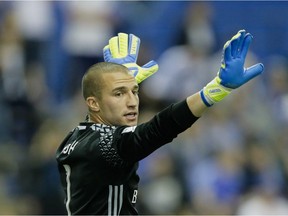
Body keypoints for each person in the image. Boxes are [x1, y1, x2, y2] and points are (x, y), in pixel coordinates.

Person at [56, 30, 264, 215]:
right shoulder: (106, 144)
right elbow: (158, 128)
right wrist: (214, 90)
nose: (131, 102)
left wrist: (118, 80)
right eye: (119, 93)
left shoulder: (75, 139)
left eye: (134, 91)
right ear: (93, 103)